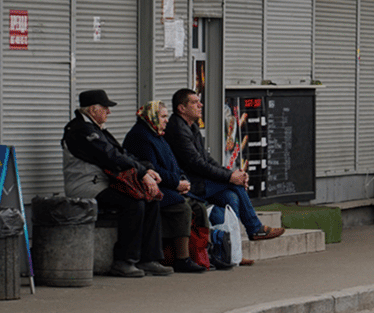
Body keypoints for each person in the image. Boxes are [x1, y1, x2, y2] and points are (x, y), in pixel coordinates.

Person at [61, 89, 174, 277]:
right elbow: (109, 156)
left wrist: (146, 168)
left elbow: (121, 152)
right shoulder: (80, 130)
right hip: (87, 186)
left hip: (104, 184)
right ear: (93, 109)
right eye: (105, 108)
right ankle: (124, 261)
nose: (109, 112)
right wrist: (142, 173)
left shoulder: (96, 129)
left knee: (151, 198)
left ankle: (149, 259)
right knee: (134, 203)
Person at [165, 88, 285, 243]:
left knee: (231, 197)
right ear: (182, 108)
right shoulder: (177, 129)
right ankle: (254, 229)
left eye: (199, 102)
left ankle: (230, 246)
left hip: (200, 181)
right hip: (189, 185)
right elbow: (197, 164)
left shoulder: (191, 127)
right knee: (235, 185)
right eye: (194, 103)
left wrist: (232, 174)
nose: (201, 105)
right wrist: (231, 177)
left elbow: (207, 159)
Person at [122, 101, 206, 273]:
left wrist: (182, 180)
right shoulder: (141, 136)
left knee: (200, 207)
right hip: (152, 187)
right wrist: (176, 183)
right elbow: (154, 170)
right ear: (152, 116)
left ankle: (203, 254)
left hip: (169, 185)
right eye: (163, 116)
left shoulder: (158, 134)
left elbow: (173, 164)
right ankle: (182, 258)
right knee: (182, 207)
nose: (167, 120)